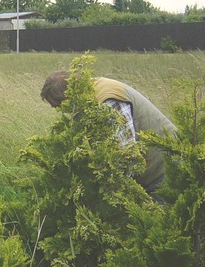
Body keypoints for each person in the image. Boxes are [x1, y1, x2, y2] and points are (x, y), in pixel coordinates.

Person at [41, 71, 177, 196]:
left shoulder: (108, 101)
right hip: (151, 171)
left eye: (60, 106)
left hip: (165, 168)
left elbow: (126, 154)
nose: (62, 111)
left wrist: (113, 193)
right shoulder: (88, 99)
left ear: (67, 97)